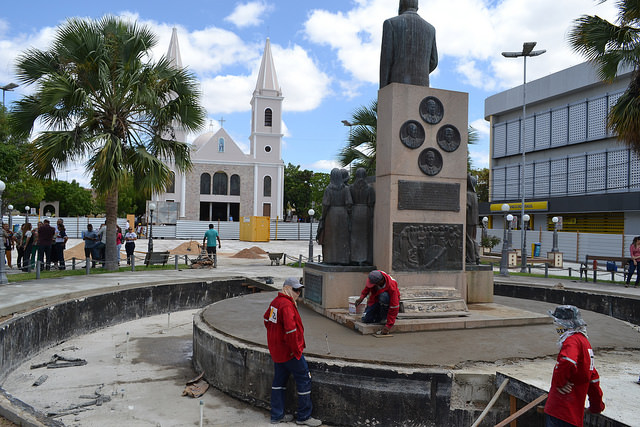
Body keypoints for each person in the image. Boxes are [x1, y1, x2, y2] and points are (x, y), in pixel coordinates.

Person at [263, 278, 322, 426]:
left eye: (299, 290)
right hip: (289, 352)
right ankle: (304, 416)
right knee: (304, 380)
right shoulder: (287, 306)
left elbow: (266, 320)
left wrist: (275, 338)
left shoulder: (276, 303)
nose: (298, 293)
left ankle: (277, 415)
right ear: (287, 289)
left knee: (279, 382)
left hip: (277, 352)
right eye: (295, 290)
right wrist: (296, 351)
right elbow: (291, 331)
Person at [544, 305, 605, 427]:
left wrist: (559, 382)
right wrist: (596, 406)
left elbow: (567, 360)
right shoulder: (585, 343)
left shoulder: (572, 341)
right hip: (573, 414)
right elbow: (593, 377)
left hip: (560, 410)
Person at [380, 0, 438, 89]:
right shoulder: (430, 29)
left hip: (397, 82)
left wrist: (383, 89)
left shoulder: (391, 23)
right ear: (417, 6)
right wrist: (420, 72)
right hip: (422, 83)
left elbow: (386, 60)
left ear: (401, 4)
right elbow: (433, 61)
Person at [317, 168, 352, 265]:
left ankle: (329, 259)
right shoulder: (346, 189)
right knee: (342, 238)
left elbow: (325, 204)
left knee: (330, 239)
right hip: (343, 214)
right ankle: (343, 260)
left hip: (331, 215)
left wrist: (323, 217)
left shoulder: (328, 189)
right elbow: (349, 202)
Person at [353, 270, 401, 335]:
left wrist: (388, 326)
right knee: (366, 320)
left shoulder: (391, 286)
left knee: (384, 296)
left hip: (387, 302)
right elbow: (367, 287)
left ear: (380, 281)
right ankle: (378, 315)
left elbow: (394, 306)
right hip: (375, 299)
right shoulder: (374, 275)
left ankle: (384, 316)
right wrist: (362, 297)